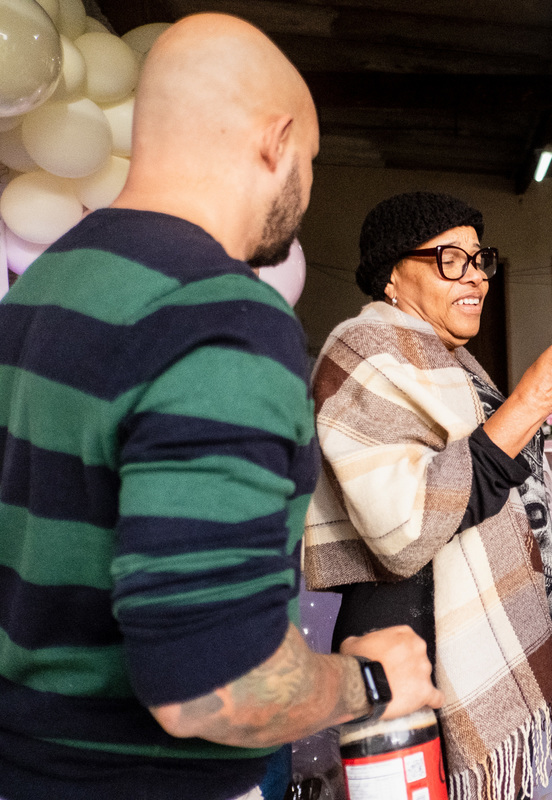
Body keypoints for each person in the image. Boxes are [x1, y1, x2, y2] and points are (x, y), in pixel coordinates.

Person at [0, 15, 441, 800]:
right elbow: (211, 687)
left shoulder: (39, 291)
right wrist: (372, 681)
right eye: (309, 161)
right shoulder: (221, 319)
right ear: (276, 141)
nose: (307, 191)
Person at [302, 192, 552, 800]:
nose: (475, 277)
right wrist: (532, 398)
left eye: (479, 259)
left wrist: (543, 401)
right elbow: (406, 529)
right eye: (450, 259)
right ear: (392, 275)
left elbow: (486, 470)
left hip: (440, 633)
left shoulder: (450, 359)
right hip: (407, 645)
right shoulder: (364, 352)